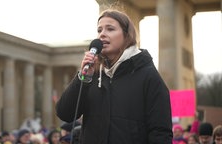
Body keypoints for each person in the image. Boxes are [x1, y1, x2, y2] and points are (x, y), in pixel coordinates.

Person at [55, 9, 173, 144]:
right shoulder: (92, 75)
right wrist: (83, 78)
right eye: (99, 30)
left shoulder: (148, 75)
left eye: (110, 29)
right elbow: (65, 113)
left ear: (126, 35)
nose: (102, 35)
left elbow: (160, 132)